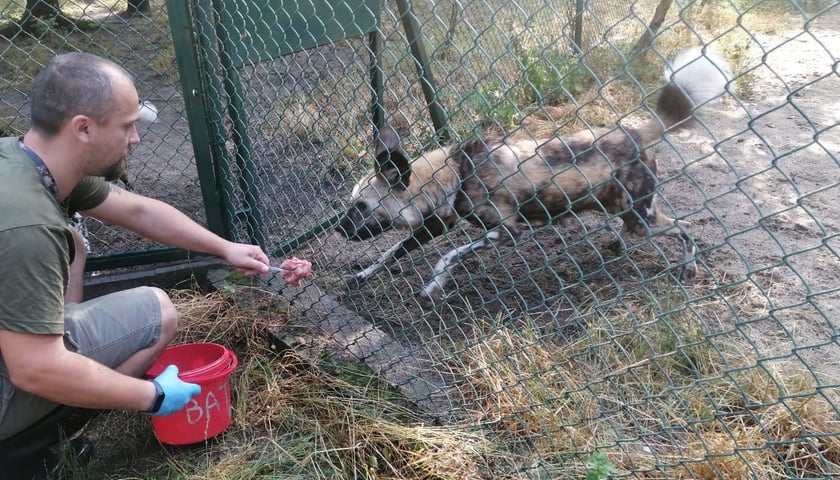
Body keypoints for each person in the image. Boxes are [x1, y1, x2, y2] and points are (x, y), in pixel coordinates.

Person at [0, 52, 272, 473]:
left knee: (74, 243)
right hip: (14, 374)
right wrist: (153, 397)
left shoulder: (23, 162)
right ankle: (29, 455)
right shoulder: (27, 227)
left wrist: (224, 248)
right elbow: (34, 370)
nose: (135, 139)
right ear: (83, 128)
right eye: (127, 126)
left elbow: (139, 211)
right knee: (156, 313)